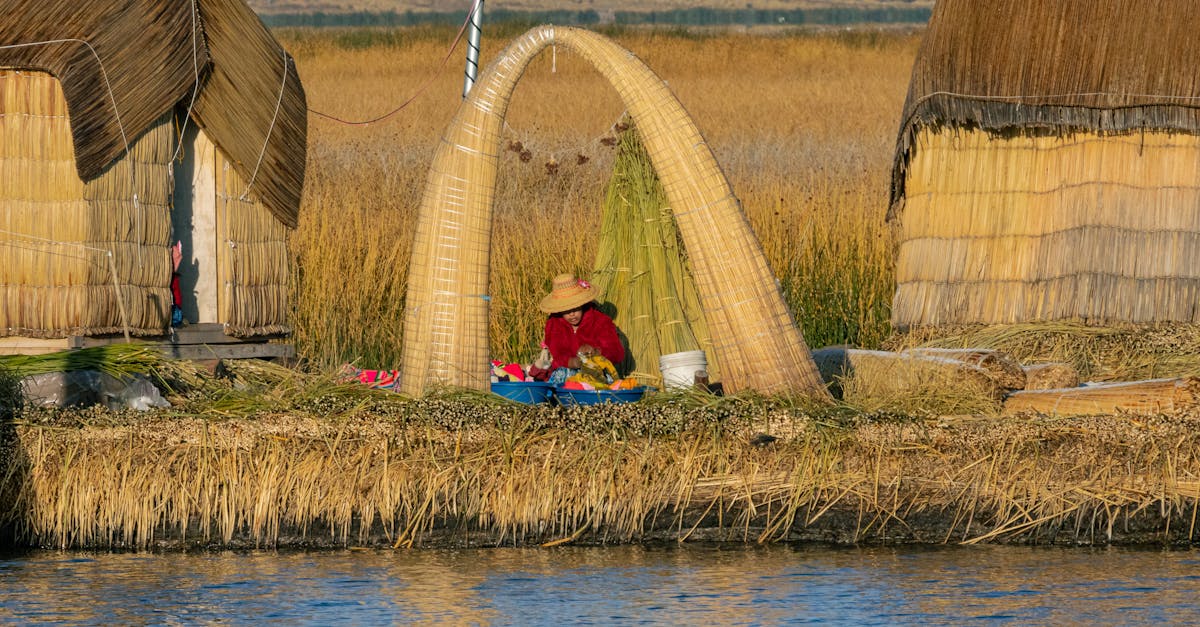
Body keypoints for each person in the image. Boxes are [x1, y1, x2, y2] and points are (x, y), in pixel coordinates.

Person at [535, 273, 625, 379]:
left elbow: (617, 352)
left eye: (576, 308)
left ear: (582, 304)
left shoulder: (600, 321)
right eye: (566, 310)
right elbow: (557, 352)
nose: (572, 314)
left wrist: (596, 352)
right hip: (564, 374)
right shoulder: (554, 323)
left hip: (597, 374)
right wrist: (572, 362)